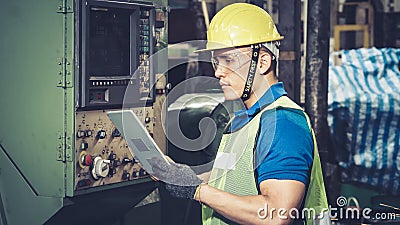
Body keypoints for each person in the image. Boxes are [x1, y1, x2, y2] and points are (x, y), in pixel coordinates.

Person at [149, 3, 329, 225]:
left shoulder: (283, 122)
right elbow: (231, 182)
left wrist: (197, 190)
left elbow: (275, 213)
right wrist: (180, 175)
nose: (217, 71)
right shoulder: (244, 119)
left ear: (262, 61)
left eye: (229, 60)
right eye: (217, 60)